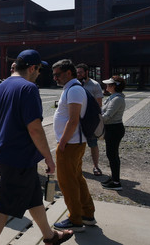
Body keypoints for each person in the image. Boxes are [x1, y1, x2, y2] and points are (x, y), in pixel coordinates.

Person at [0, 49, 73, 245]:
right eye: (39, 70)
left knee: (34, 199)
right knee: (3, 206)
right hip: (20, 159)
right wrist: (48, 158)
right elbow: (35, 129)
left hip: (7, 155)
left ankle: (49, 236)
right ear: (32, 68)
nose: (39, 74)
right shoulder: (29, 89)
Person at [52, 59, 95, 233]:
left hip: (70, 143)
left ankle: (75, 219)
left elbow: (73, 119)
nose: (55, 78)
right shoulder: (72, 88)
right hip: (72, 142)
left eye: (58, 74)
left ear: (68, 73)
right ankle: (87, 214)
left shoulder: (74, 90)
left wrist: (62, 142)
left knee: (67, 181)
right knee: (76, 178)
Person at [76, 63, 104, 176]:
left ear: (86, 72)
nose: (78, 74)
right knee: (77, 143)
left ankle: (96, 166)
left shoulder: (95, 85)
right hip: (77, 119)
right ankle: (78, 165)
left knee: (93, 143)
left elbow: (99, 103)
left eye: (80, 72)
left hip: (90, 119)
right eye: (77, 72)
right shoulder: (76, 84)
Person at [100, 76, 126, 191]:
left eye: (109, 84)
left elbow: (107, 117)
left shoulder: (117, 99)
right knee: (111, 154)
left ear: (114, 86)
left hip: (114, 129)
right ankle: (114, 177)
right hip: (112, 129)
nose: (107, 86)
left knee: (112, 155)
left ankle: (116, 182)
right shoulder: (112, 97)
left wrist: (95, 117)